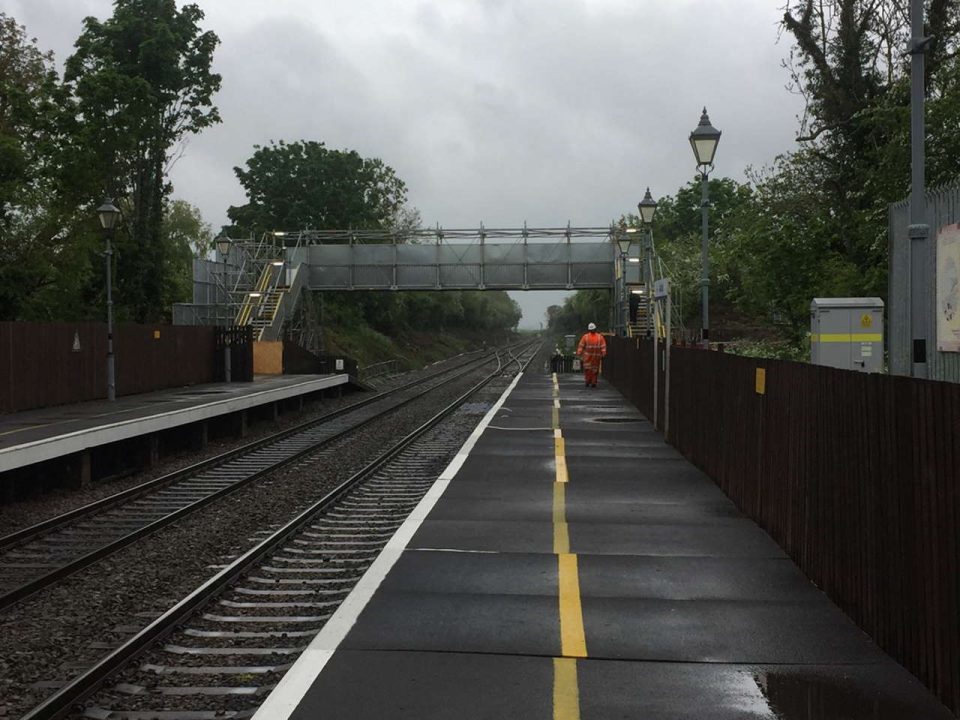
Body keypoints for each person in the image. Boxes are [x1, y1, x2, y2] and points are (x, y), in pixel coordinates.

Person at [576, 322, 607, 387]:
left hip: (588, 357)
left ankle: (588, 381)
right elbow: (603, 346)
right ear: (595, 328)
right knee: (594, 370)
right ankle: (593, 382)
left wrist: (579, 353)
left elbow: (581, 346)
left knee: (588, 369)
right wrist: (603, 353)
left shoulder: (585, 337)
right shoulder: (600, 337)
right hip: (596, 357)